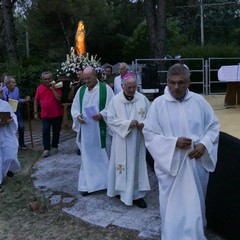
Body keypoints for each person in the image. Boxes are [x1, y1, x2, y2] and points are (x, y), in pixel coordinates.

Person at [142, 63, 220, 240]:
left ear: (189, 82)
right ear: (167, 82)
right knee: (173, 205)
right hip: (171, 167)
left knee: (195, 203)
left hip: (195, 163)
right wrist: (173, 143)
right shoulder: (158, 105)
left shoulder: (199, 101)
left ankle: (196, 234)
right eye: (172, 83)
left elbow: (213, 126)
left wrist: (205, 145)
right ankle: (172, 235)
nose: (176, 87)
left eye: (181, 83)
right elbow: (149, 134)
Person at [107, 74, 150, 208]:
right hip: (121, 140)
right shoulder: (115, 101)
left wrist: (144, 124)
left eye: (134, 87)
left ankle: (137, 196)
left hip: (137, 141)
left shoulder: (142, 99)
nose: (132, 90)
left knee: (136, 167)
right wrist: (127, 124)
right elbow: (110, 119)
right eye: (129, 87)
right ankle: (120, 192)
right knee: (120, 167)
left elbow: (152, 118)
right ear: (122, 87)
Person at [71, 66, 114, 196]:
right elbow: (75, 108)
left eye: (89, 78)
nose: (86, 81)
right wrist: (78, 116)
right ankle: (87, 185)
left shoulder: (105, 89)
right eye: (84, 79)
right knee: (87, 157)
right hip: (86, 131)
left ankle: (107, 183)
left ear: (95, 76)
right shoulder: (81, 91)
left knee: (103, 155)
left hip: (100, 130)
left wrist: (102, 114)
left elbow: (112, 107)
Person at [34, 71, 63, 158]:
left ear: (51, 78)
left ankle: (54, 146)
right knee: (45, 131)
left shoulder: (57, 86)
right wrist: (35, 112)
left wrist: (53, 89)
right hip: (45, 115)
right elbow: (36, 100)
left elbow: (59, 99)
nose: (47, 80)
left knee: (56, 131)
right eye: (45, 79)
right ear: (42, 79)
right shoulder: (39, 88)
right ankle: (46, 149)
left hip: (57, 113)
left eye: (48, 78)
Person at [0, 86, 21, 191]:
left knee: (10, 153)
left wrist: (11, 120)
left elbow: (13, 115)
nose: (1, 94)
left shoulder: (5, 104)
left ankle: (6, 169)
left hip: (6, 133)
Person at [2, 76, 30, 150]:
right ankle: (9, 144)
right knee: (8, 128)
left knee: (21, 126)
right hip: (6, 111)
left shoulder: (16, 89)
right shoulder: (3, 90)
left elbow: (18, 100)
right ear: (8, 84)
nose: (15, 84)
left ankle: (22, 143)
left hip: (16, 110)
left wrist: (25, 100)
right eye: (13, 82)